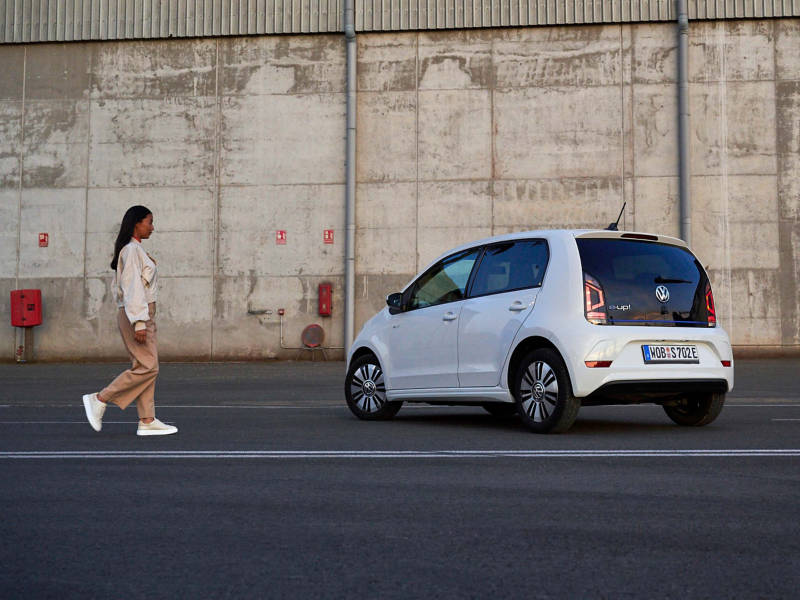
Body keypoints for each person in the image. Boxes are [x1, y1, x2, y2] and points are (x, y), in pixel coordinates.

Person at [82, 206, 178, 437]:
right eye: (150, 222)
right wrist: (140, 322)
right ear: (137, 223)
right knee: (148, 366)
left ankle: (147, 420)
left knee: (145, 366)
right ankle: (100, 398)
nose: (152, 227)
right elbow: (133, 288)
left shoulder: (134, 250)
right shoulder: (131, 250)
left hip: (140, 313)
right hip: (137, 314)